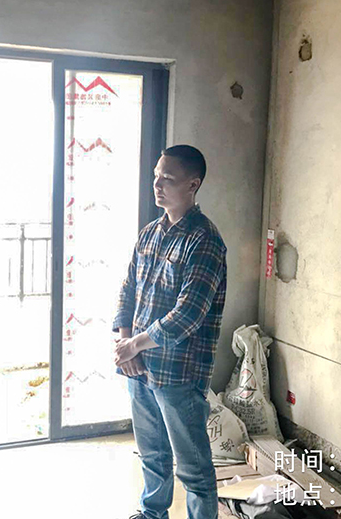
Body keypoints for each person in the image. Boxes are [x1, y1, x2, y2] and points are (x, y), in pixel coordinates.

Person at [113, 145, 227, 519]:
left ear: (193, 184)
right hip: (140, 367)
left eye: (168, 178)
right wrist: (125, 343)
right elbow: (127, 290)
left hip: (179, 374)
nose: (157, 185)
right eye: (156, 176)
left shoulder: (205, 241)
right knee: (152, 455)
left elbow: (188, 315)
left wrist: (134, 345)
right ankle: (152, 513)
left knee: (193, 468)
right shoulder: (149, 234)